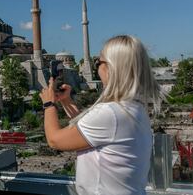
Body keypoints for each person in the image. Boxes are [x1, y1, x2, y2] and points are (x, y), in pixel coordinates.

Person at [40, 35, 163, 195]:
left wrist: (49, 105)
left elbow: (55, 140)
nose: (97, 68)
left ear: (112, 67)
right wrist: (66, 101)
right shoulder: (133, 109)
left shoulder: (111, 113)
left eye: (98, 62)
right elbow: (89, 131)